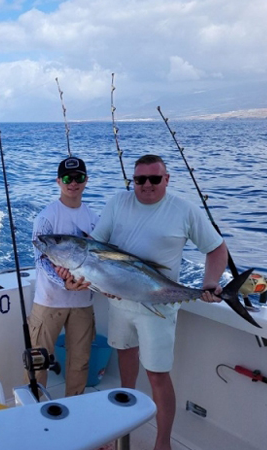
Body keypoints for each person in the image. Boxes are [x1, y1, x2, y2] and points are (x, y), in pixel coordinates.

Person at [88, 154, 226, 450]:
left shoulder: (184, 210)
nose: (146, 185)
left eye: (154, 178)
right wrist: (100, 282)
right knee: (125, 364)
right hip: (120, 303)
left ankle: (163, 443)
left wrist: (209, 283)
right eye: (140, 179)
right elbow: (96, 249)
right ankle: (120, 428)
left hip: (158, 309)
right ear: (133, 181)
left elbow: (216, 249)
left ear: (167, 179)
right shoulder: (117, 203)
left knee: (157, 375)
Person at [28, 156, 99, 397]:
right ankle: (33, 411)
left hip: (83, 304)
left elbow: (102, 262)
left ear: (86, 181)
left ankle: (74, 410)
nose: (73, 183)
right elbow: (40, 260)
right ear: (59, 181)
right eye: (68, 178)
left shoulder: (94, 219)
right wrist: (64, 283)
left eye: (78, 177)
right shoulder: (46, 217)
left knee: (80, 364)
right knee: (37, 364)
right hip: (49, 302)